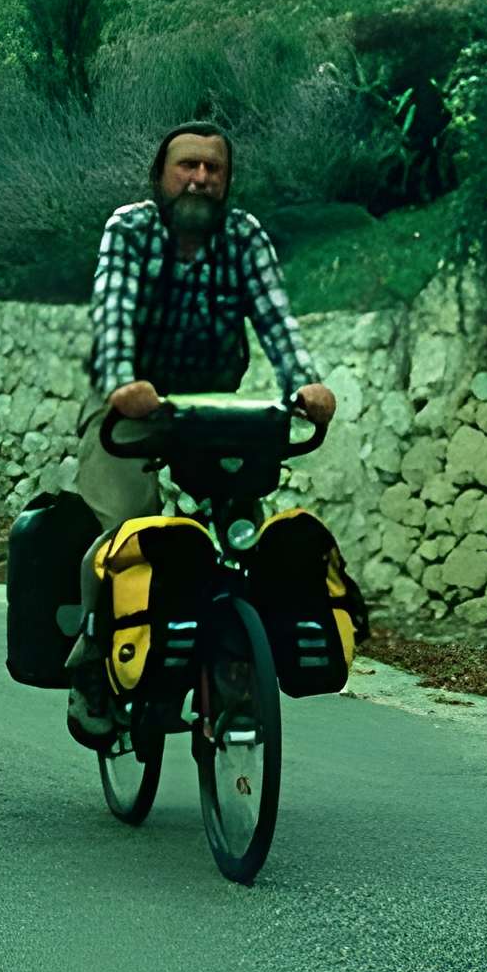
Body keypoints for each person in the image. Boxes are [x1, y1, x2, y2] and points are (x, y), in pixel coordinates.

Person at [63, 120, 336, 742]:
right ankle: (91, 668)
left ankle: (232, 667)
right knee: (126, 527)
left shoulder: (243, 236)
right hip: (131, 402)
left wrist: (306, 385)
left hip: (215, 407)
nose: (200, 178)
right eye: (187, 165)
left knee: (240, 535)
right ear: (161, 175)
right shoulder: (130, 227)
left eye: (213, 169)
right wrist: (122, 383)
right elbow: (113, 315)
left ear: (227, 181)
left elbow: (276, 319)